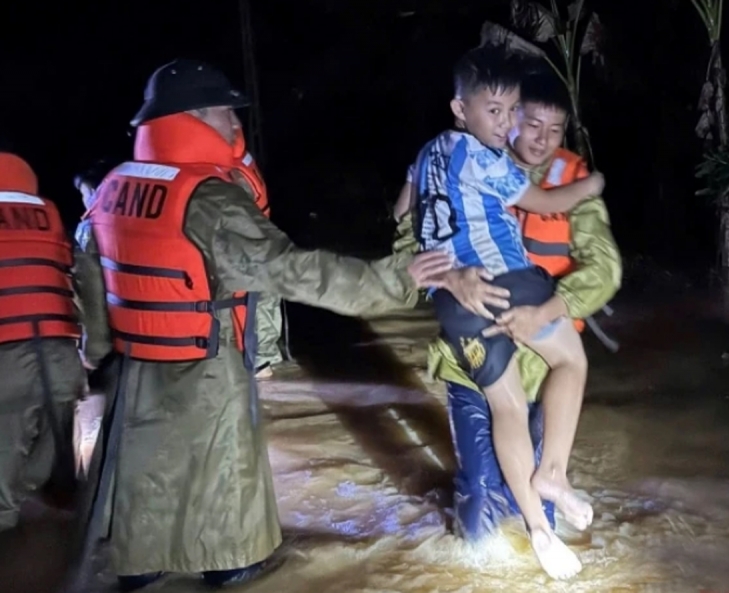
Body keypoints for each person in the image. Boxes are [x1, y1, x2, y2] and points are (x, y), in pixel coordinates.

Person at [73, 59, 451, 591]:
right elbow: (291, 270)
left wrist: (99, 346)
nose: (234, 124)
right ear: (194, 116)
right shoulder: (209, 197)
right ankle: (232, 564)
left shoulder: (114, 185)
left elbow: (88, 268)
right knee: (226, 465)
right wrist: (395, 280)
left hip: (137, 363)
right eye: (226, 112)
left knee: (146, 464)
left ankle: (141, 566)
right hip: (208, 356)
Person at [393, 67, 621, 577]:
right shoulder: (477, 160)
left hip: (540, 366)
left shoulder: (570, 182)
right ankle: (469, 576)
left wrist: (547, 310)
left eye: (555, 129)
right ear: (509, 119)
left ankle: (536, 542)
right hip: (466, 362)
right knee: (477, 503)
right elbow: (403, 249)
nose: (540, 137)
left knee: (534, 508)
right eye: (528, 121)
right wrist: (452, 276)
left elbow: (605, 271)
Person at [0, 152, 86, 532]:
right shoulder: (47, 213)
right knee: (58, 460)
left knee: (5, 457)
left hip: (6, 359)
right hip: (60, 353)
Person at [229, 130, 286, 379]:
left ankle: (260, 366)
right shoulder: (238, 158)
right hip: (262, 248)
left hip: (252, 255)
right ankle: (261, 364)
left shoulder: (232, 170)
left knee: (257, 315)